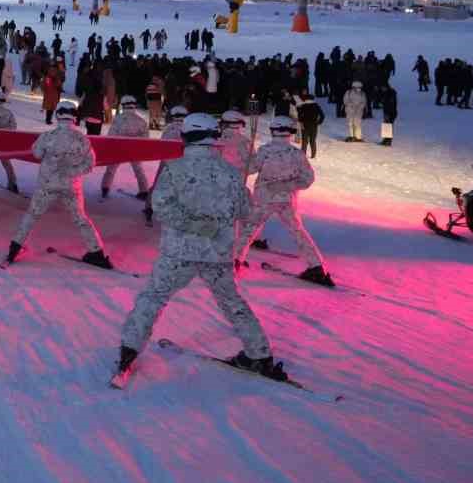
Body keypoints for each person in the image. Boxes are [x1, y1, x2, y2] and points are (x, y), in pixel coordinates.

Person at [116, 113, 286, 381]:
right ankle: (259, 354)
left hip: (178, 252)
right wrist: (240, 195)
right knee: (231, 300)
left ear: (186, 136)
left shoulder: (174, 169)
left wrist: (194, 224)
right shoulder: (231, 173)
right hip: (217, 252)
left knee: (154, 297)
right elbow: (245, 210)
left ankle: (129, 350)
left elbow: (160, 207)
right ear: (214, 137)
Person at [4, 101, 112, 268]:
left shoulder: (47, 136)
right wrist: (71, 172)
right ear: (74, 116)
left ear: (58, 115)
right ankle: (96, 252)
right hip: (71, 186)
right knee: (80, 218)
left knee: (32, 215)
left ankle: (14, 249)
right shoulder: (82, 140)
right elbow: (90, 164)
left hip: (47, 184)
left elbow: (37, 153)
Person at [235, 117, 333, 285]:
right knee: (297, 231)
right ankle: (316, 266)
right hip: (287, 199)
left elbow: (249, 169)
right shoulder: (297, 154)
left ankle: (235, 261)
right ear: (290, 132)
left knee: (250, 229)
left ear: (273, 131)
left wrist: (248, 157)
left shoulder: (265, 151)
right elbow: (308, 179)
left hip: (264, 198)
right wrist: (287, 186)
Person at [101, 95, 151, 199]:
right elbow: (146, 138)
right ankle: (144, 191)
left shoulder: (118, 119)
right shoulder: (141, 121)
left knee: (111, 169)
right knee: (138, 170)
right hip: (134, 150)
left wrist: (109, 148)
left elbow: (111, 135)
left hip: (119, 148)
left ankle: (105, 188)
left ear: (123, 105)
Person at [295, 92, 324, 159]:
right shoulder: (316, 106)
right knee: (313, 141)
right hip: (314, 125)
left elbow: (299, 115)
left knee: (304, 141)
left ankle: (303, 155)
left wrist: (301, 121)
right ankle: (313, 155)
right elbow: (322, 116)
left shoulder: (303, 106)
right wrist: (319, 122)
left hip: (305, 125)